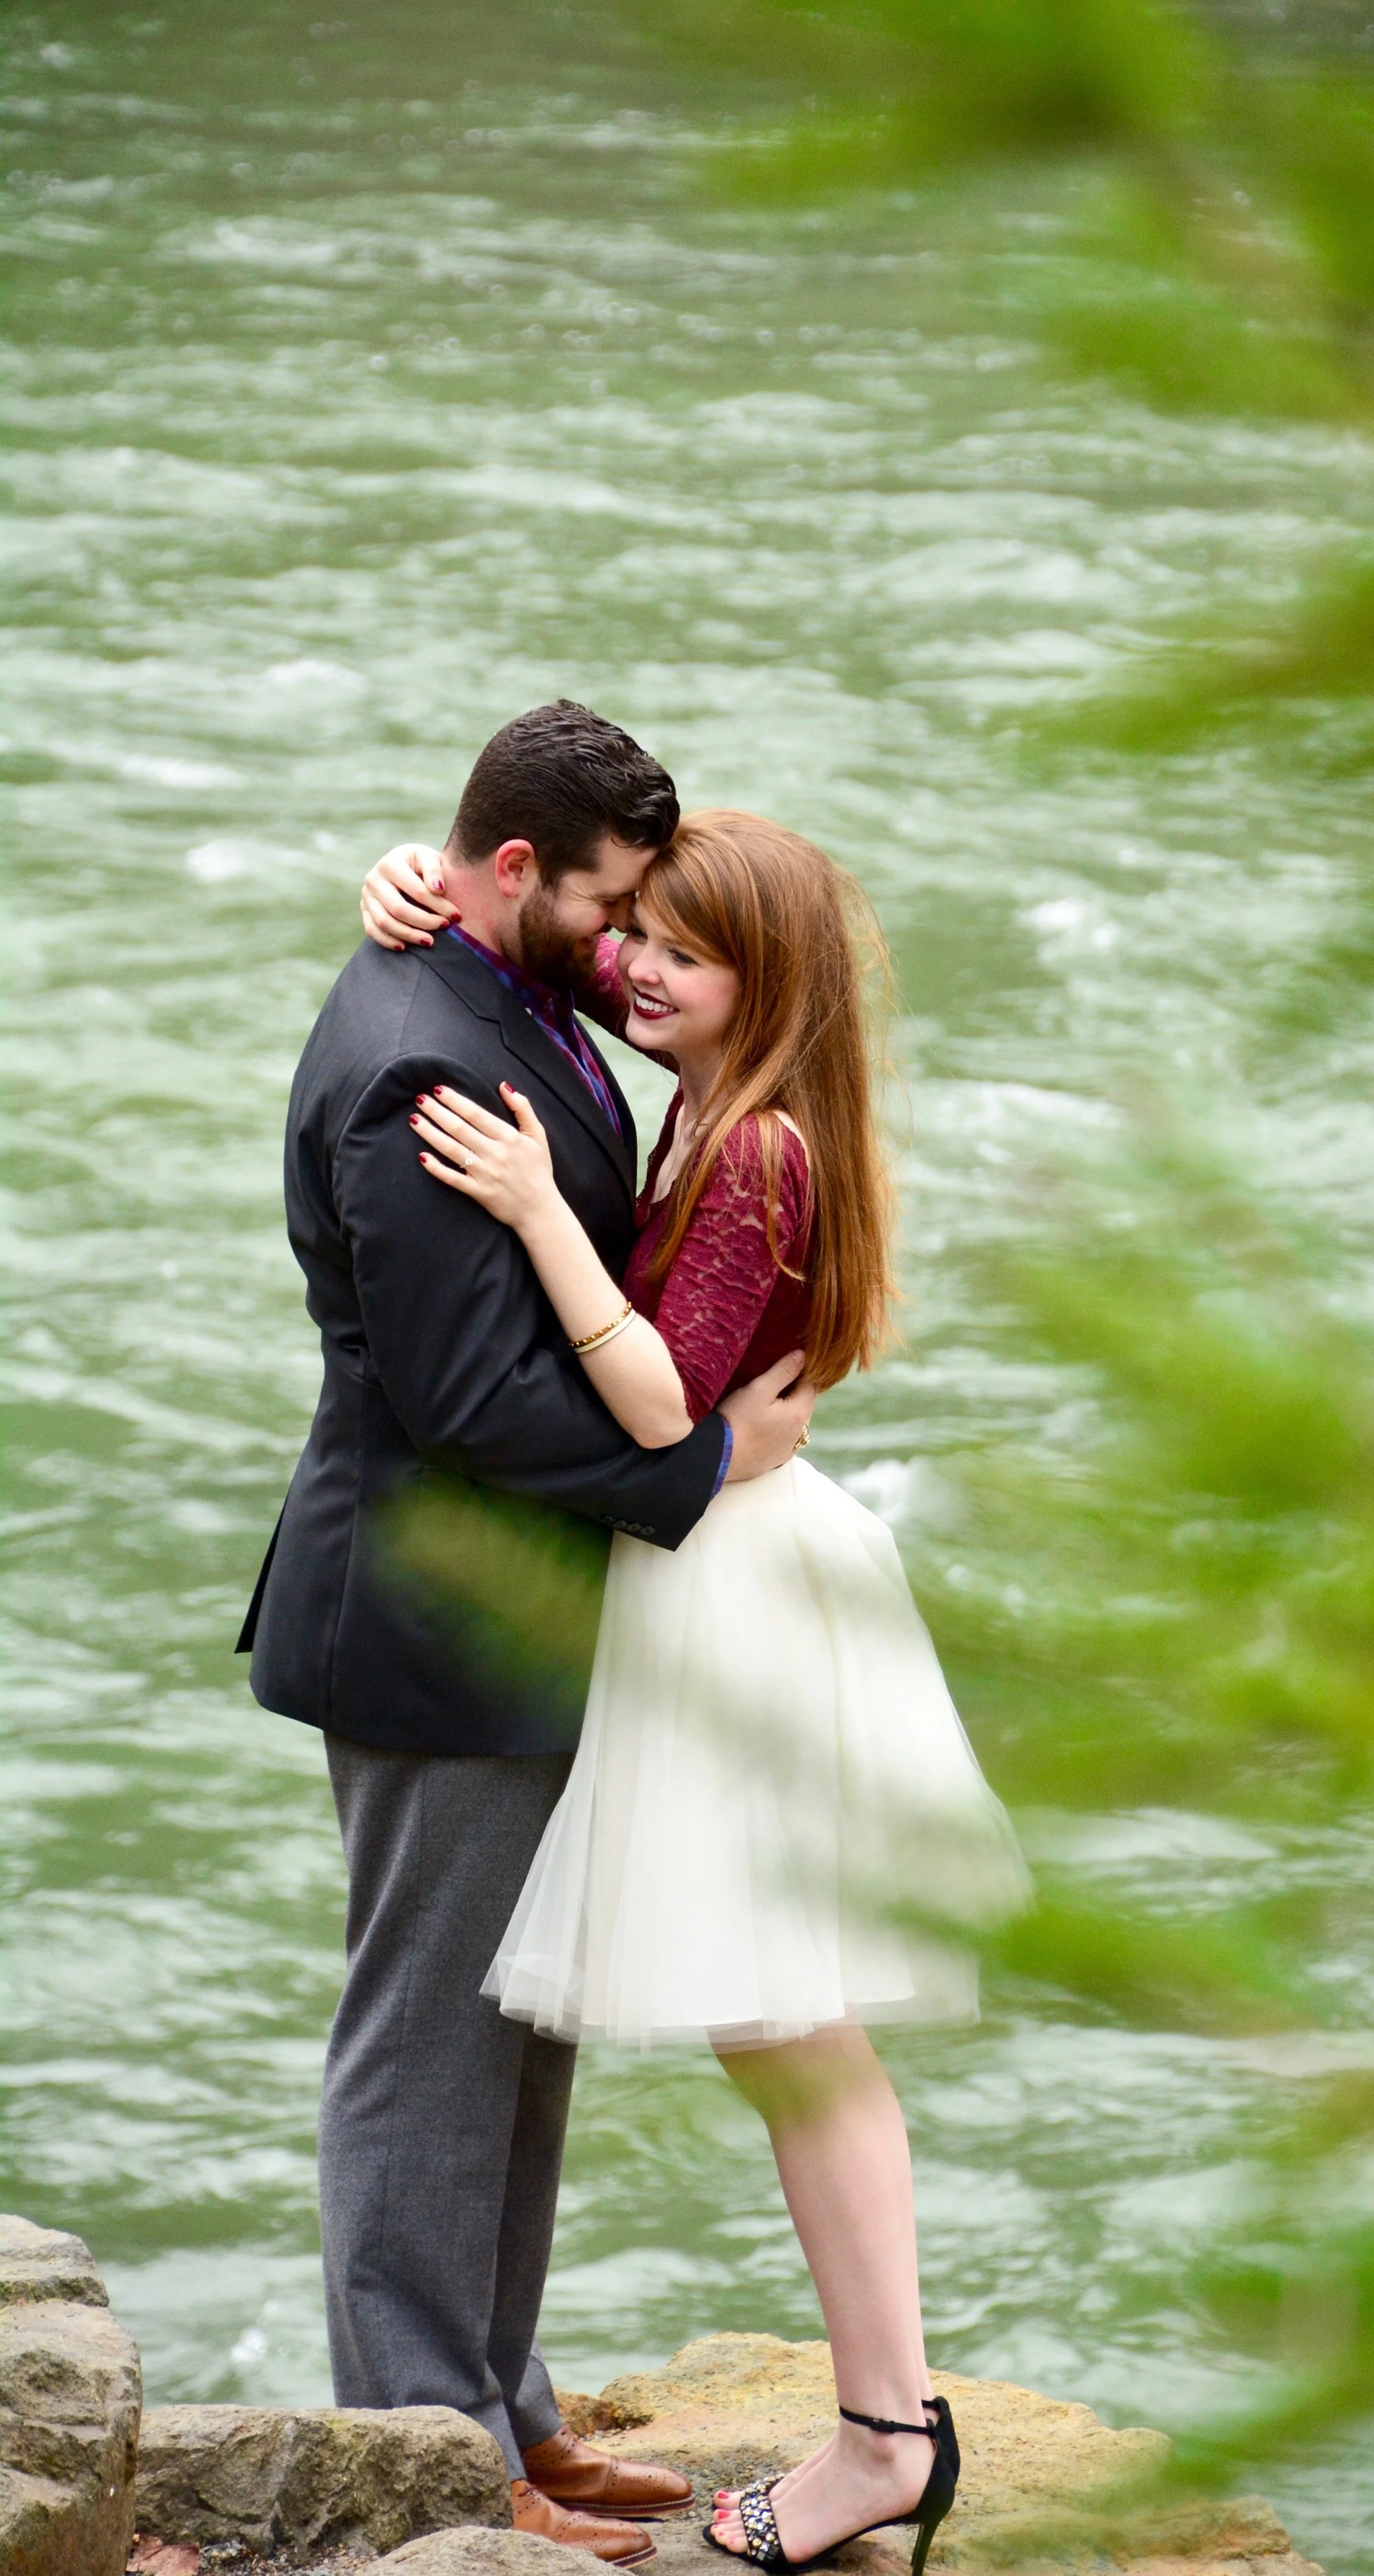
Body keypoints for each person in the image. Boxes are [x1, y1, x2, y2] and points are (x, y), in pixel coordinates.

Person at [358, 810, 1027, 2573]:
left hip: (737, 1589)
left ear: (763, 981)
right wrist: (411, 883)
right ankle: (888, 2425)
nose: (634, 965)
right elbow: (523, 899)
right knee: (785, 2030)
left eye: (677, 947)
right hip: (730, 1576)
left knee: (797, 2032)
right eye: (631, 931)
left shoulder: (752, 1148)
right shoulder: (726, 1108)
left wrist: (527, 1211)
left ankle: (887, 2435)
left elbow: (663, 1407)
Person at [240, 705, 815, 2563]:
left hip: (520, 1612)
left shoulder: (496, 977)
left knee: (522, 2027)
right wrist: (703, 1466)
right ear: (513, 872)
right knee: (425, 2046)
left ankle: (506, 2410)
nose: (630, 939)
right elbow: (465, 1399)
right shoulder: (421, 1049)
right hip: (426, 1617)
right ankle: (430, 2465)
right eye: (608, 903)